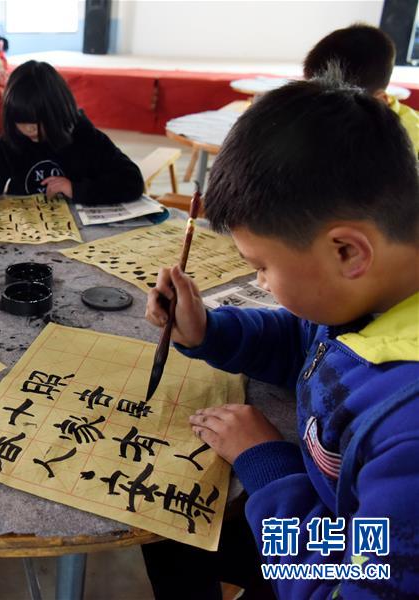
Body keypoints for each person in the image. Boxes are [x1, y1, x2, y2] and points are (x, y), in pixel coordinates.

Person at [143, 76, 419, 599]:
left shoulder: (408, 436)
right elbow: (308, 343)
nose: (259, 284)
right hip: (319, 512)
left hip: (327, 557)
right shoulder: (374, 292)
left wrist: (269, 465)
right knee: (167, 519)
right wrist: (208, 331)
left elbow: (344, 587)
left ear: (347, 253)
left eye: (262, 267)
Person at [0, 61, 143, 203]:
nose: (29, 130)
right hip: (28, 234)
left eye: (36, 122)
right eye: (21, 123)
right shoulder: (13, 141)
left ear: (58, 112)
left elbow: (131, 181)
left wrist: (75, 189)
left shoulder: (83, 136)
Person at [304, 23, 418, 155]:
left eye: (338, 101)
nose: (323, 107)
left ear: (380, 101)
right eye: (315, 94)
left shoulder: (405, 140)